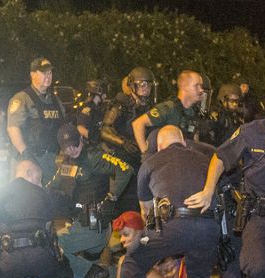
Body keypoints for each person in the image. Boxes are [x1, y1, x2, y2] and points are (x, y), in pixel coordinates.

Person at [110, 125, 223, 278]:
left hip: (171, 225)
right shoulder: (203, 160)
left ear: (160, 146)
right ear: (182, 142)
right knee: (199, 276)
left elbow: (146, 211)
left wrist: (156, 248)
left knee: (133, 261)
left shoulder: (150, 163)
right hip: (207, 227)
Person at [184, 116, 265, 278]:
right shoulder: (251, 132)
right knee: (256, 267)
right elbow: (221, 157)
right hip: (259, 216)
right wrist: (208, 190)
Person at [0, 159, 83, 278]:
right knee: (61, 269)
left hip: (10, 256)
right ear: (28, 173)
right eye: (38, 179)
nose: (40, 185)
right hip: (40, 255)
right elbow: (49, 229)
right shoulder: (44, 194)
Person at [50, 123, 133, 278]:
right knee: (74, 258)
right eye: (67, 147)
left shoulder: (93, 156)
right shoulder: (66, 164)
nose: (72, 150)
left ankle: (111, 275)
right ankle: (104, 275)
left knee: (52, 246)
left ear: (81, 138)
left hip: (94, 226)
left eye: (75, 144)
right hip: (81, 225)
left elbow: (125, 169)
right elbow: (51, 186)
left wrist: (112, 197)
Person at [101, 67, 157, 212]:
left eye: (148, 85)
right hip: (125, 157)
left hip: (144, 156)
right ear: (133, 85)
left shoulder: (153, 107)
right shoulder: (121, 105)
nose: (146, 88)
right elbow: (105, 130)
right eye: (142, 84)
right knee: (127, 202)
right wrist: (123, 142)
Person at [7, 57, 65, 184]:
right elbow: (13, 128)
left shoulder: (55, 100)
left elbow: (62, 127)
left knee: (46, 198)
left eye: (50, 73)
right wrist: (25, 153)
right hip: (28, 159)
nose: (48, 76)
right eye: (44, 72)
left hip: (49, 159)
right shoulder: (22, 98)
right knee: (24, 198)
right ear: (33, 75)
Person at [132, 70, 203, 155]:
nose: (201, 90)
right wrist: (146, 154)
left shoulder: (193, 113)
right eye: (196, 86)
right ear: (184, 86)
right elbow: (138, 124)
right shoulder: (168, 108)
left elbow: (194, 141)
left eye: (201, 86)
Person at [76, 79, 107, 144]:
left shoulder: (99, 107)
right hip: (93, 147)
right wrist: (96, 139)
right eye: (103, 94)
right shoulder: (88, 108)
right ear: (96, 94)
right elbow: (80, 128)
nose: (105, 96)